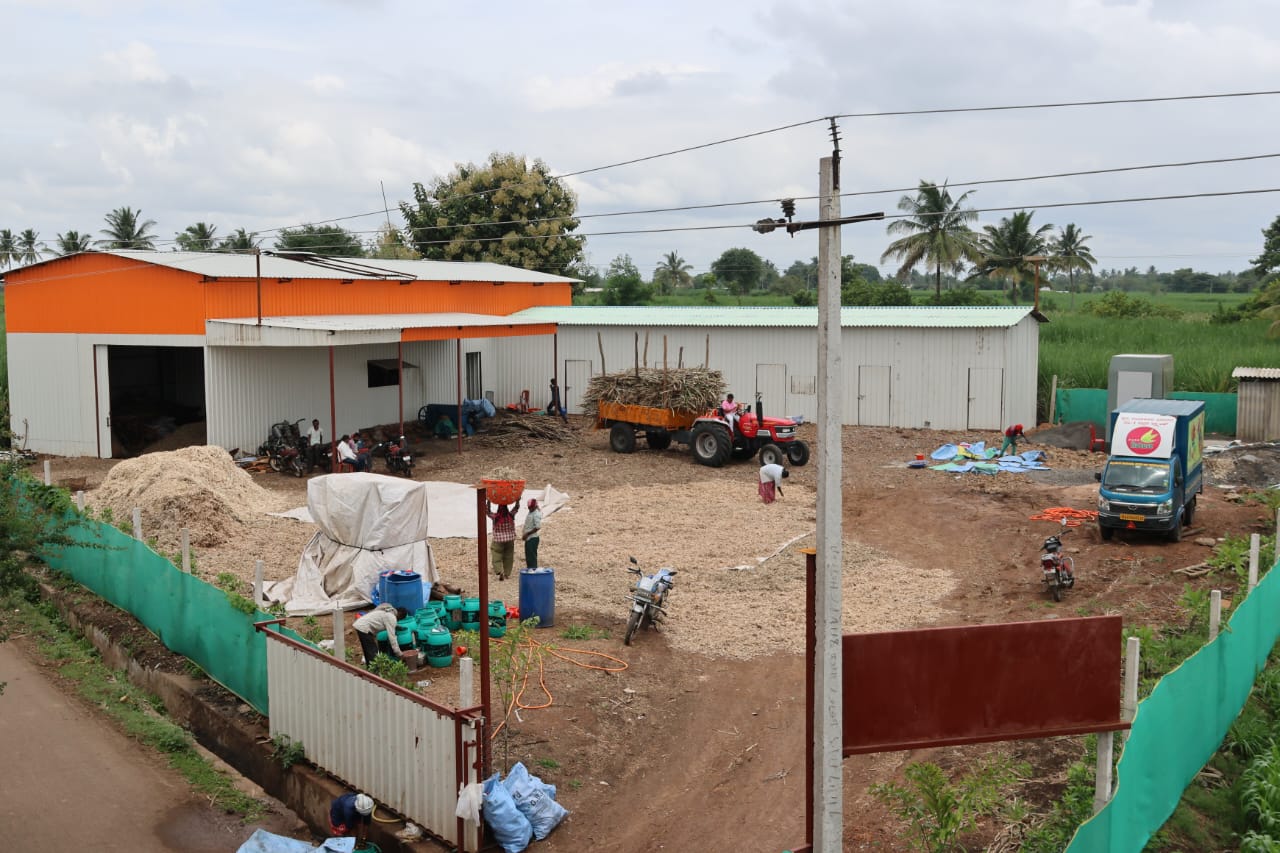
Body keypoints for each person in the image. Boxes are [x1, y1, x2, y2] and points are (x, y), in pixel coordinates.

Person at [488, 501, 519, 580]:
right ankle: (507, 574)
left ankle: (499, 571)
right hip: (510, 539)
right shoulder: (510, 515)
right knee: (509, 556)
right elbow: (516, 508)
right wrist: (517, 501)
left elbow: (487, 512)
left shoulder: (495, 517)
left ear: (499, 509)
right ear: (506, 509)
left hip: (498, 540)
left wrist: (488, 502)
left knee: (496, 554)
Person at [522, 498, 543, 569]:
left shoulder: (536, 514)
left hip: (532, 538)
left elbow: (538, 527)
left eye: (531, 507)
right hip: (529, 538)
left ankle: (533, 570)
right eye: (529, 507)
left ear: (535, 506)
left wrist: (527, 534)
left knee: (531, 557)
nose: (529, 508)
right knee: (529, 556)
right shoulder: (532, 512)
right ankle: (531, 569)